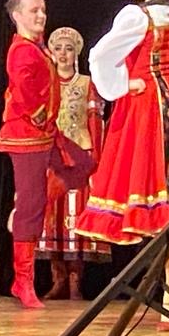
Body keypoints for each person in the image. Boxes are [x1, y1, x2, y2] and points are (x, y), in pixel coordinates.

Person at [76, 0, 169, 328]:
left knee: (161, 196)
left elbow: (100, 55)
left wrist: (122, 85)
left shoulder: (138, 16)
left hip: (150, 108)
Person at [0, 0, 93, 309]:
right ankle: (22, 281)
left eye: (43, 10)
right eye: (34, 11)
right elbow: (23, 91)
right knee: (32, 207)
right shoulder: (20, 51)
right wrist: (40, 119)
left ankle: (32, 201)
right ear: (17, 17)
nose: (41, 15)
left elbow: (37, 42)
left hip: (46, 134)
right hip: (28, 136)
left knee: (84, 163)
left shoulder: (33, 46)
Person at [37, 26, 108, 300]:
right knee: (51, 216)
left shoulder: (87, 84)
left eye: (68, 49)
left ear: (76, 53)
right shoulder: (45, 84)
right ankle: (58, 279)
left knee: (75, 216)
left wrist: (96, 162)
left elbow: (95, 123)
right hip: (51, 155)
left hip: (80, 155)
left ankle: (76, 281)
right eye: (58, 49)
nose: (63, 54)